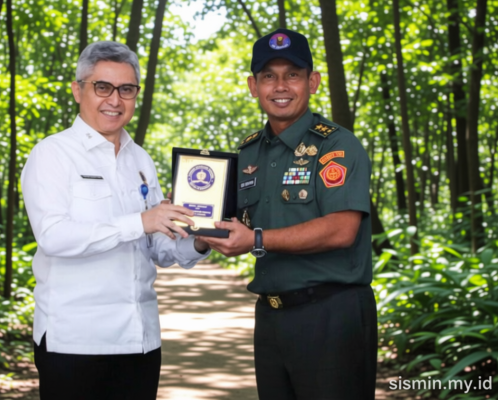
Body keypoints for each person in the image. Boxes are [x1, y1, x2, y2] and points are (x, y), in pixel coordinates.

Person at [21, 41, 210, 400]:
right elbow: (53, 237)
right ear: (78, 90)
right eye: (102, 87)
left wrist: (202, 238)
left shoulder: (141, 160)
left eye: (126, 89)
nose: (115, 99)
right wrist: (140, 221)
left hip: (140, 341)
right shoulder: (52, 154)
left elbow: (159, 248)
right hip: (75, 342)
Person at [199, 28, 377, 399]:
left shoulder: (336, 145)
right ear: (253, 86)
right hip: (270, 317)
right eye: (269, 76)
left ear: (312, 82)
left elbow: (342, 229)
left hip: (330, 315)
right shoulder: (249, 153)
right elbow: (236, 224)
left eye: (292, 75)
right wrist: (195, 215)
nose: (280, 86)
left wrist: (256, 240)